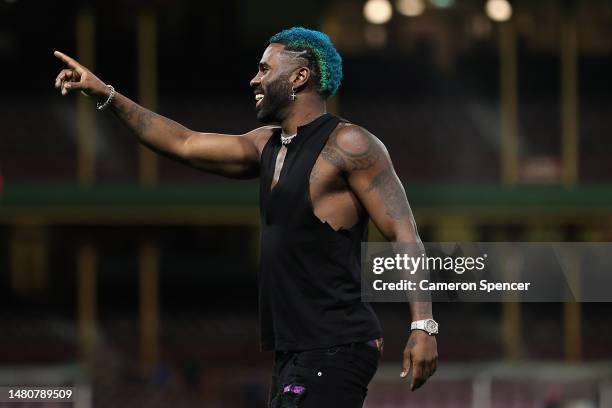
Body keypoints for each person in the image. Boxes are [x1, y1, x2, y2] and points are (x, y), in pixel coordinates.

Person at [53, 26, 438, 407]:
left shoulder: (350, 144)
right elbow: (183, 143)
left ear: (300, 77)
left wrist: (423, 325)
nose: (254, 79)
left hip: (336, 344)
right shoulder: (265, 144)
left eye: (265, 69)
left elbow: (404, 232)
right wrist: (107, 94)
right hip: (292, 349)